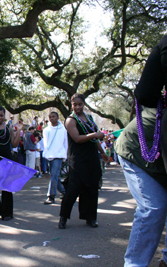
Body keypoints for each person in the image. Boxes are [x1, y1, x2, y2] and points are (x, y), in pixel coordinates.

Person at [115, 35, 167, 267]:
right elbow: (145, 93)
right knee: (153, 207)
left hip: (157, 148)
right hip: (138, 147)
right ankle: (134, 264)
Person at [59, 93, 108, 229]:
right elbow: (77, 138)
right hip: (77, 159)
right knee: (73, 189)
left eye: (80, 104)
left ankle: (90, 218)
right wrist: (95, 134)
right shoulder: (70, 120)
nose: (77, 107)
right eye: (75, 104)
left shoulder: (89, 118)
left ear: (84, 104)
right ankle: (63, 217)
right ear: (71, 105)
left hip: (91, 158)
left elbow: (95, 140)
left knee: (92, 188)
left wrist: (102, 153)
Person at [42, 112, 68, 204]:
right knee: (55, 176)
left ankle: (51, 196)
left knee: (53, 175)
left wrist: (65, 156)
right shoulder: (46, 130)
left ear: (57, 117)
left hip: (59, 155)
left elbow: (65, 143)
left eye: (53, 116)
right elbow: (45, 144)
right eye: (50, 117)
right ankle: (65, 192)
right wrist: (45, 154)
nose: (52, 118)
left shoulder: (63, 130)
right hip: (48, 156)